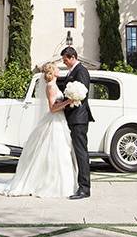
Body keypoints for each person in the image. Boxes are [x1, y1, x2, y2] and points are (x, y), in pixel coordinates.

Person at [0, 63, 78, 197]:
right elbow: (52, 108)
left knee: (60, 152)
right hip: (54, 121)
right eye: (57, 68)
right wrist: (68, 102)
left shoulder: (54, 85)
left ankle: (60, 183)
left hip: (59, 121)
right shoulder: (50, 86)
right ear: (52, 72)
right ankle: (50, 184)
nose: (59, 69)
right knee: (54, 151)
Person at [61, 46, 94, 200]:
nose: (64, 62)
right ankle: (78, 184)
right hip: (73, 117)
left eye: (65, 59)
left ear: (72, 57)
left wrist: (65, 102)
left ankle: (84, 188)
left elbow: (81, 93)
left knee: (81, 152)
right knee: (77, 152)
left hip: (78, 118)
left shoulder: (81, 71)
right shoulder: (73, 71)